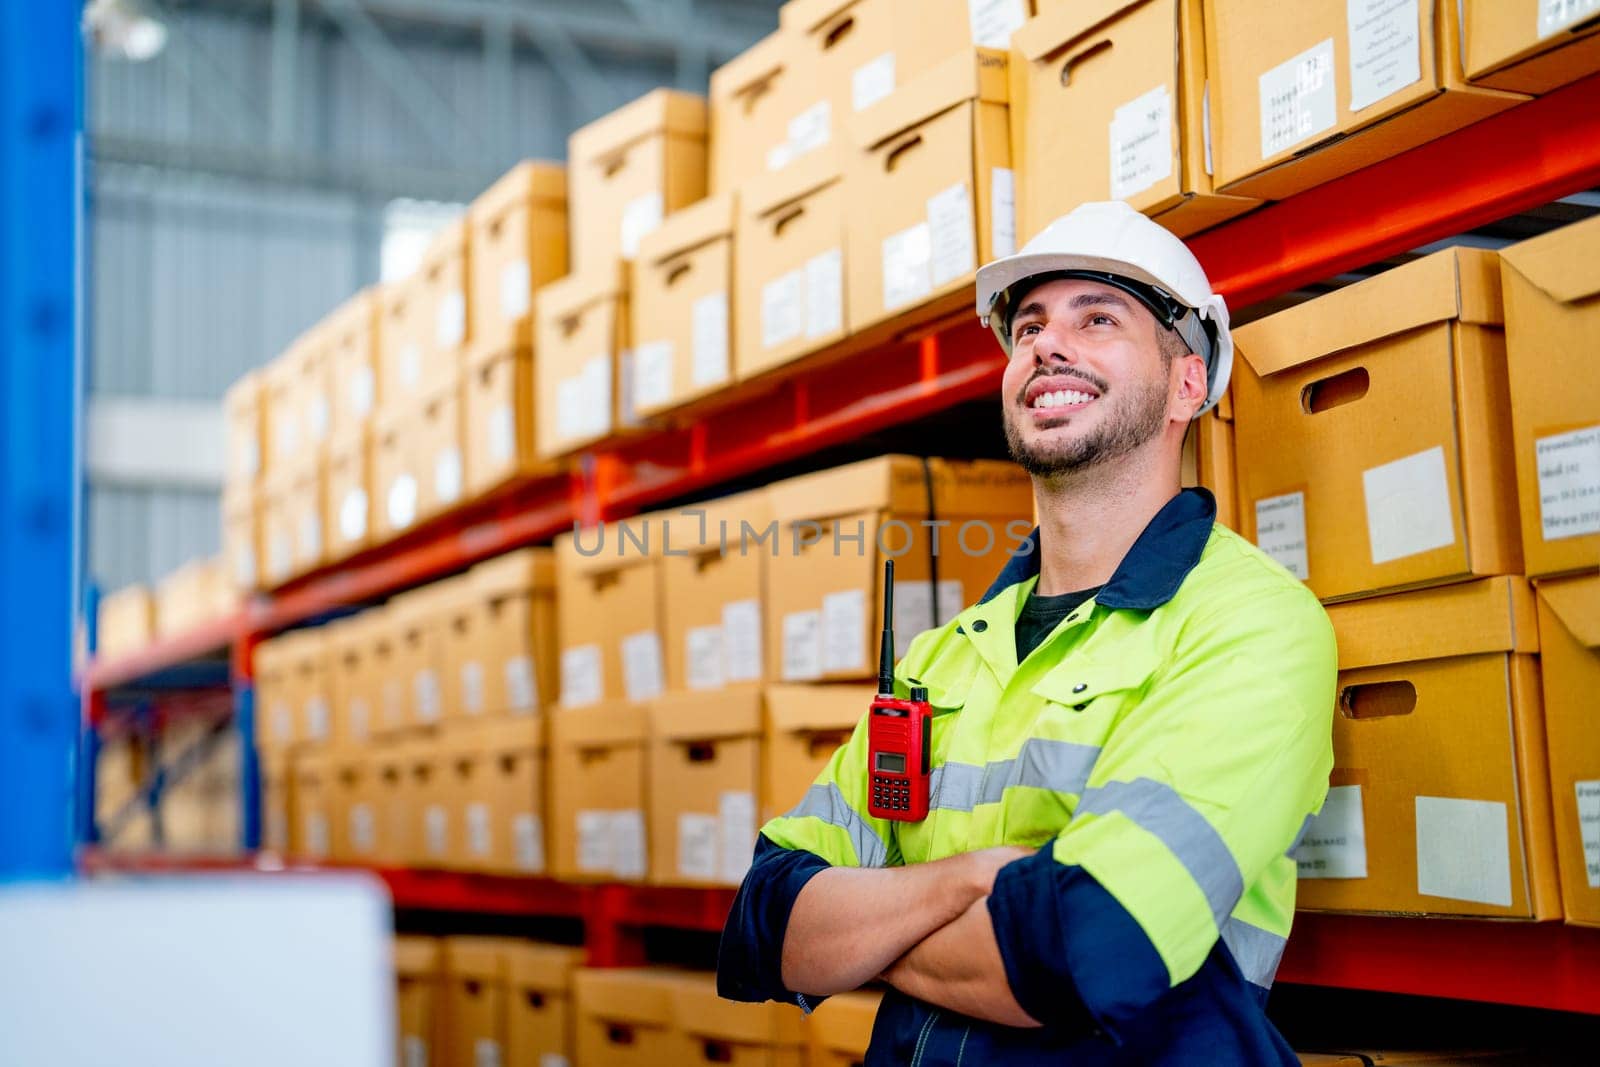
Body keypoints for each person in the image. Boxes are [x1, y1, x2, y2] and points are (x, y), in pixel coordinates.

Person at [716, 201, 1337, 1064]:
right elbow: (766, 921)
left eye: (1099, 318)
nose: (1048, 343)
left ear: (1188, 383)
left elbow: (1090, 947)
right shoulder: (941, 659)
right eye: (1030, 325)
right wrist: (976, 878)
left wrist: (873, 924)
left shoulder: (1249, 625)